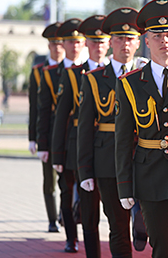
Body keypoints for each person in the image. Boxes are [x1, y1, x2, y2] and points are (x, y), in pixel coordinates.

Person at [114, 0, 168, 258]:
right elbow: (123, 139)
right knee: (161, 243)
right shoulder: (130, 84)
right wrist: (125, 186)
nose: (164, 40)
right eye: (156, 35)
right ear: (146, 41)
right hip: (149, 173)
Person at [78, 7, 147, 258]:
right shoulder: (95, 79)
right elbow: (85, 128)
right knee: (117, 226)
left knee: (148, 217)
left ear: (138, 43)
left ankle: (142, 224)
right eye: (119, 38)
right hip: (107, 161)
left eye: (130, 39)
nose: (125, 44)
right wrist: (85, 170)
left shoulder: (145, 77)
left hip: (143, 158)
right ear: (111, 42)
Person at [52, 15, 109, 257]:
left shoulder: (120, 73)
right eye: (93, 42)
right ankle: (83, 246)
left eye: (102, 42)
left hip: (110, 147)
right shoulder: (75, 74)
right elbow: (60, 116)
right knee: (86, 207)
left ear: (108, 44)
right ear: (87, 44)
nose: (97, 47)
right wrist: (56, 152)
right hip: (80, 146)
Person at [37, 18, 86, 253]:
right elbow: (44, 112)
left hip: (87, 140)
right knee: (66, 190)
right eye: (70, 41)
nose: (74, 46)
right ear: (63, 44)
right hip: (63, 140)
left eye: (78, 41)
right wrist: (43, 144)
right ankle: (70, 237)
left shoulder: (93, 70)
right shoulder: (49, 73)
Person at [28, 21, 65, 233]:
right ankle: (52, 219)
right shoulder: (38, 71)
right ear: (49, 46)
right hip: (47, 131)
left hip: (67, 131)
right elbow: (35, 106)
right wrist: (33, 138)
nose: (58, 48)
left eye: (61, 43)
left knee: (67, 178)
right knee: (48, 179)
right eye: (54, 44)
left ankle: (64, 213)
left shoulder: (73, 69)